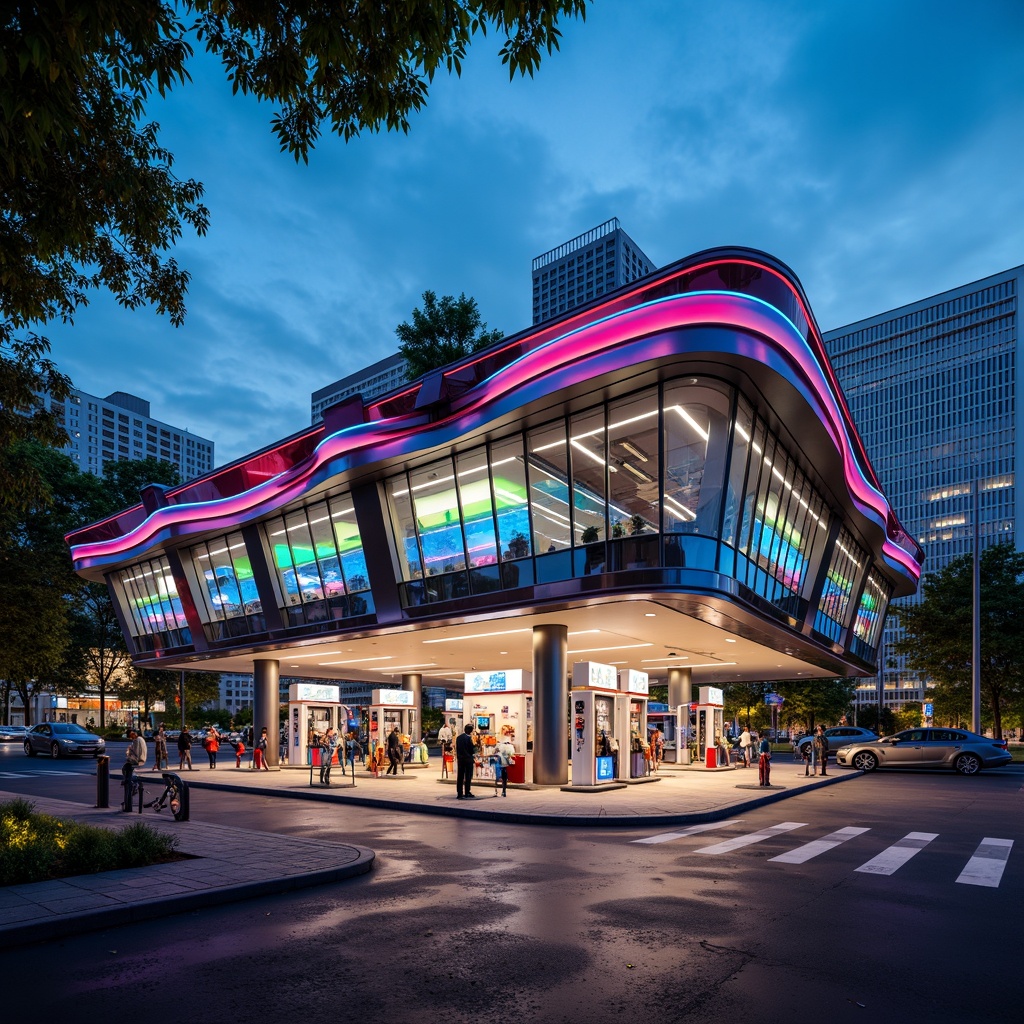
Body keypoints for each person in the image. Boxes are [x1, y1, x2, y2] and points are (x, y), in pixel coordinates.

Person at [122, 729, 148, 810]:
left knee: (125, 768)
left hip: (137, 760)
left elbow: (136, 752)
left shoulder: (137, 740)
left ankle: (132, 783)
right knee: (126, 768)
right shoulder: (141, 739)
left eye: (131, 735)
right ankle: (131, 782)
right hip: (141, 759)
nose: (131, 737)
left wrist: (129, 751)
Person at [455, 722, 476, 798]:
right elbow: (471, 750)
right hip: (468, 760)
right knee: (468, 776)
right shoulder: (469, 738)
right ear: (470, 730)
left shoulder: (459, 738)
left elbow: (457, 748)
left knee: (460, 777)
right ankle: (467, 791)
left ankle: (459, 793)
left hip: (460, 760)